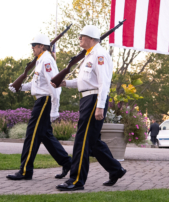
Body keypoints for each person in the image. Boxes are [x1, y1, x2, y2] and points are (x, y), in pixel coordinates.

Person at [53, 25, 126, 192]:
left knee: (82, 141)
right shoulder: (88, 56)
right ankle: (116, 169)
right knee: (91, 142)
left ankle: (76, 180)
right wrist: (64, 83)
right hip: (87, 98)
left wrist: (100, 106)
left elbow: (103, 83)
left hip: (94, 100)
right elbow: (84, 82)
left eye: (81, 36)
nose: (79, 39)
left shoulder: (99, 55)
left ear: (91, 38)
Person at [6, 34, 71, 180]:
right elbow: (37, 84)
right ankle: (68, 163)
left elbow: (55, 85)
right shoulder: (41, 60)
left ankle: (25, 171)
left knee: (32, 136)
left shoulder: (46, 59)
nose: (32, 48)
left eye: (34, 46)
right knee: (45, 136)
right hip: (41, 101)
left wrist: (55, 108)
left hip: (45, 102)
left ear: (41, 46)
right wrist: (19, 87)